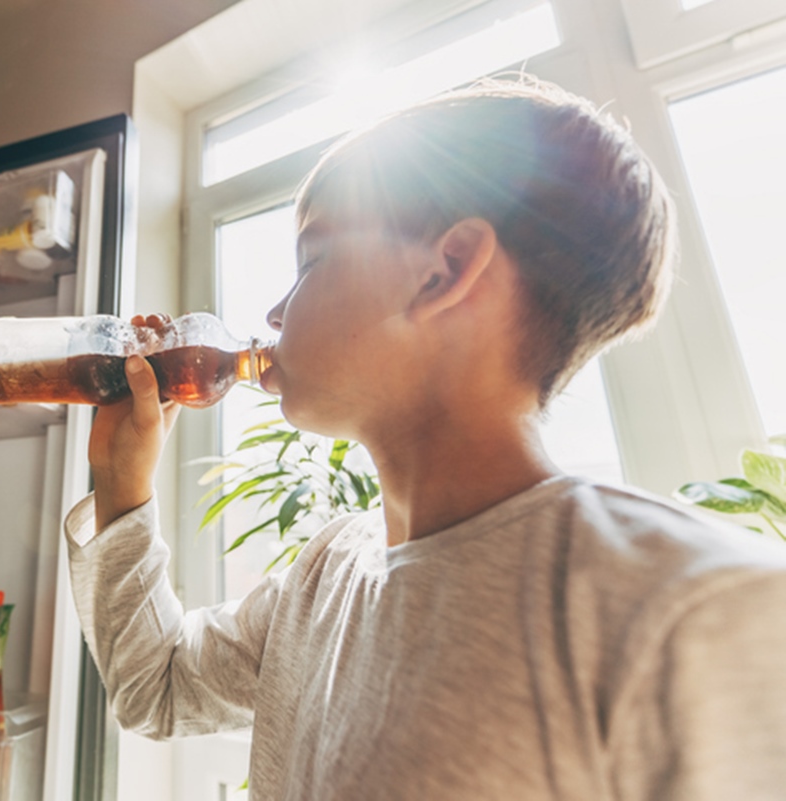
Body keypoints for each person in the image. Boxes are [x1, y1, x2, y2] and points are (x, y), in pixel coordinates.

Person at [62, 77, 786, 799]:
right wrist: (123, 483)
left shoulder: (697, 614)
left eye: (312, 260)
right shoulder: (324, 575)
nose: (275, 313)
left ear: (446, 271)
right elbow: (157, 686)